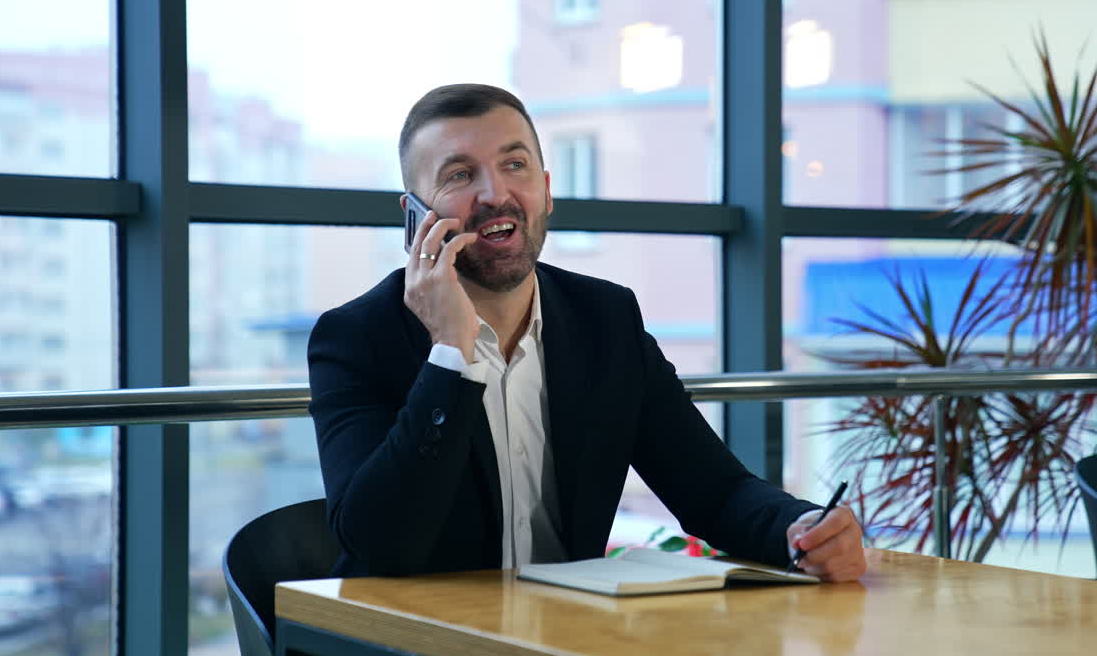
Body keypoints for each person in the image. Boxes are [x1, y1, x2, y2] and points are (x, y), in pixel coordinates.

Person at [307, 83, 866, 582]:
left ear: (546, 190)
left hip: (563, 645)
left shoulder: (605, 319)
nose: (494, 194)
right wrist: (450, 357)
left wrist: (800, 529)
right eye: (459, 175)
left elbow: (713, 491)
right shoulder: (356, 336)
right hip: (407, 652)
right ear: (415, 217)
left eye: (515, 166)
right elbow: (380, 547)